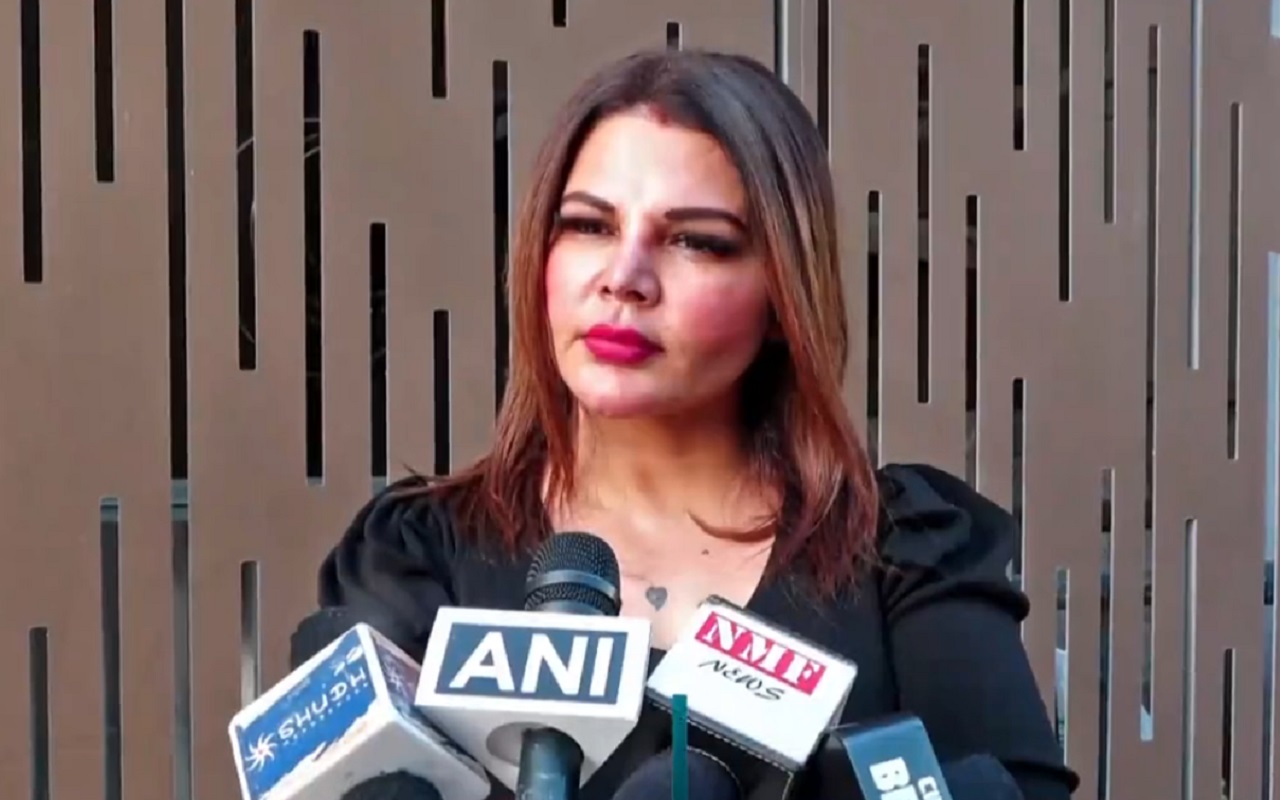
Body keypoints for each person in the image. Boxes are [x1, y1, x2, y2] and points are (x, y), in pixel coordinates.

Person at [317, 48, 1079, 799]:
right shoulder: (411, 555)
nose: (624, 278)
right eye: (588, 226)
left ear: (784, 297)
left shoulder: (908, 551)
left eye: (695, 241)